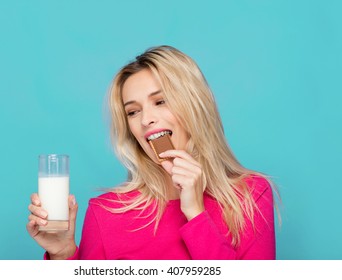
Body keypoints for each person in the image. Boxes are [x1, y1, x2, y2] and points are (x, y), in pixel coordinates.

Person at [27, 45, 279, 260]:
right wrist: (62, 255)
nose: (146, 119)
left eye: (160, 101)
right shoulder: (105, 212)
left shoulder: (251, 196)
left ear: (195, 105)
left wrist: (195, 214)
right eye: (133, 112)